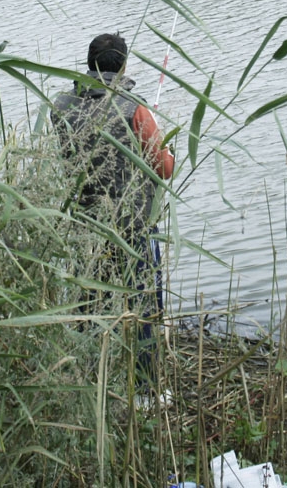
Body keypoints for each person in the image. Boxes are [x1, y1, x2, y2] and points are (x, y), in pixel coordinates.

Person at [51, 32, 174, 397]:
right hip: (132, 225)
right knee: (144, 304)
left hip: (85, 224)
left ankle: (87, 385)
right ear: (122, 67)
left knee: (90, 304)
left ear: (90, 66)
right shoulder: (133, 107)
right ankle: (147, 391)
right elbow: (164, 167)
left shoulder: (61, 105)